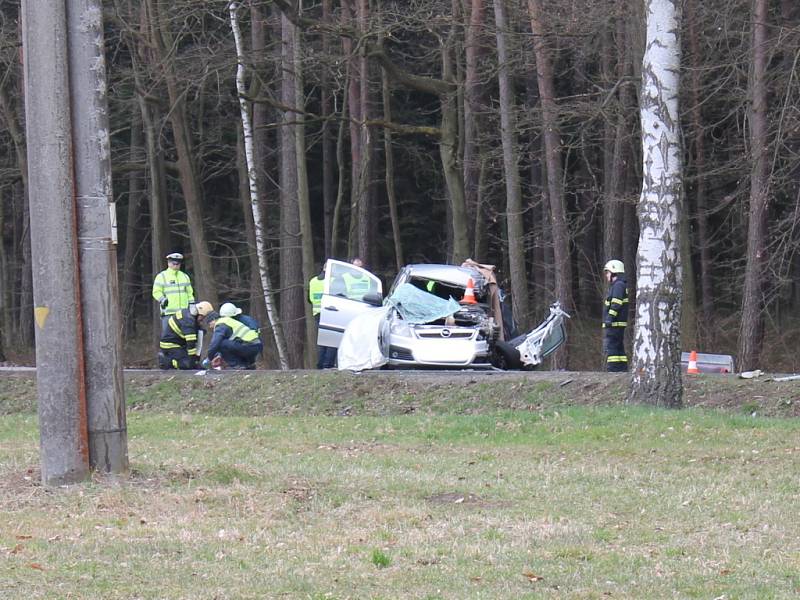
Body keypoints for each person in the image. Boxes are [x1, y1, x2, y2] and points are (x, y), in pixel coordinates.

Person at [158, 300, 214, 370]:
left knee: (192, 365)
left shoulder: (189, 314)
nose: (203, 320)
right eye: (203, 317)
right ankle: (166, 361)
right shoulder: (188, 321)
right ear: (199, 313)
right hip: (170, 345)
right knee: (187, 365)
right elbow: (191, 343)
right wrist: (193, 360)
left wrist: (195, 361)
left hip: (179, 343)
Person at [152, 252, 194, 325]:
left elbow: (189, 293)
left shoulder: (185, 276)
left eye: (177, 264)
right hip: (168, 313)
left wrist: (192, 304)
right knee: (169, 335)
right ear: (168, 263)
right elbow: (156, 292)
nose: (175, 266)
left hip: (184, 313)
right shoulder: (161, 276)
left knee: (185, 335)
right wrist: (163, 299)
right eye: (173, 263)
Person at [602, 259, 629, 372]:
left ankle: (613, 370)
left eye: (608, 272)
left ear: (613, 271)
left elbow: (616, 303)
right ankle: (622, 369)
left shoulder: (618, 286)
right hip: (617, 323)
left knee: (612, 346)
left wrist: (610, 318)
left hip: (615, 323)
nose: (607, 275)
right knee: (619, 347)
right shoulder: (619, 285)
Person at [309, 266, 337, 369]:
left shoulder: (313, 281)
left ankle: (320, 364)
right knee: (333, 338)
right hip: (331, 312)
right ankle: (328, 365)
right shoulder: (332, 281)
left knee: (323, 339)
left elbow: (309, 298)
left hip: (317, 313)